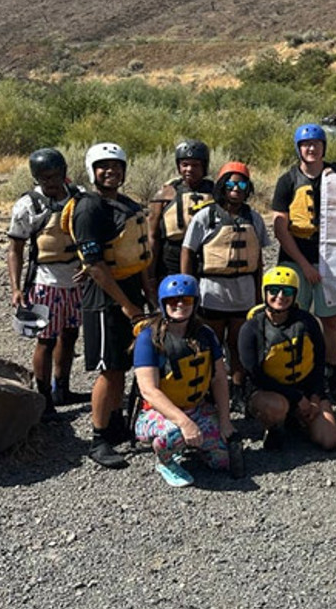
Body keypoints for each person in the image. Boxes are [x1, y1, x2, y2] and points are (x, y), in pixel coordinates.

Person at [69, 142, 155, 468]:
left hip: (130, 293)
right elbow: (95, 266)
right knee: (110, 369)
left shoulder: (127, 206)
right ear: (93, 171)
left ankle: (116, 422)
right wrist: (126, 306)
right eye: (104, 167)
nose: (111, 172)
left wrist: (146, 298)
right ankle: (98, 437)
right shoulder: (89, 208)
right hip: (104, 299)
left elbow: (141, 254)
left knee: (123, 362)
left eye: (117, 166)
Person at [133, 274, 242, 487]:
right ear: (164, 304)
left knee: (221, 461)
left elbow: (219, 378)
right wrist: (185, 423)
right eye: (173, 301)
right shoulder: (149, 338)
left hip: (196, 408)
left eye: (187, 300)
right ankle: (166, 461)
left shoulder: (205, 334)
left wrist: (225, 420)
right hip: (157, 413)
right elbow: (148, 390)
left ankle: (196, 446)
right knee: (173, 435)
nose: (180, 305)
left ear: (195, 303)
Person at [6, 148, 87, 417]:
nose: (51, 182)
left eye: (55, 176)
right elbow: (15, 249)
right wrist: (16, 288)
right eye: (44, 178)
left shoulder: (79, 196)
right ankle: (43, 399)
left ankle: (61, 387)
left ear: (64, 173)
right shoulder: (29, 205)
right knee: (46, 339)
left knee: (71, 334)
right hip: (44, 282)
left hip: (76, 280)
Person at [181, 161, 268, 408]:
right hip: (212, 292)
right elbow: (188, 251)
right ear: (222, 185)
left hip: (244, 293)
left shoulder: (254, 218)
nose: (236, 188)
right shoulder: (205, 216)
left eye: (242, 183)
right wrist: (188, 288)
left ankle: (238, 389)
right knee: (212, 344)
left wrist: (260, 296)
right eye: (231, 182)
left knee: (239, 346)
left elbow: (258, 259)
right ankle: (209, 390)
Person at [271, 123, 336, 399]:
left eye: (316, 144)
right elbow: (280, 228)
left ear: (324, 146)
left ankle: (332, 369)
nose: (311, 149)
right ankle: (299, 368)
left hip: (329, 262)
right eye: (306, 145)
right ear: (298, 149)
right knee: (295, 318)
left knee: (331, 320)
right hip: (295, 260)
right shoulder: (287, 180)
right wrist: (304, 265)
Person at [238, 266, 336, 452]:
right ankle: (275, 426)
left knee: (329, 440)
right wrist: (296, 398)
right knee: (277, 407)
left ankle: (298, 420)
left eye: (288, 291)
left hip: (306, 390)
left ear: (295, 295)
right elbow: (256, 376)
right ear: (264, 293)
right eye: (274, 291)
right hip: (269, 391)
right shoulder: (251, 329)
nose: (280, 296)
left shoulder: (307, 321)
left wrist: (315, 397)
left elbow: (319, 362)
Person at [148, 140, 215, 281]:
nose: (189, 169)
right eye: (185, 165)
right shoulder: (165, 193)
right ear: (178, 166)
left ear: (204, 166)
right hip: (171, 259)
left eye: (195, 165)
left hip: (206, 256)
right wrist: (150, 275)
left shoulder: (215, 193)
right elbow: (153, 235)